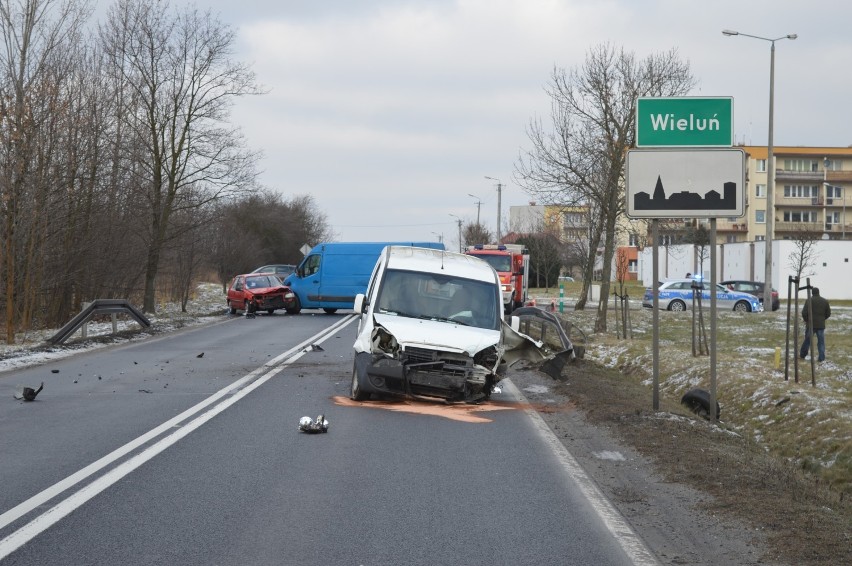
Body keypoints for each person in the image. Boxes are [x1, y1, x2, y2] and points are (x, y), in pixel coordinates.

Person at [799, 287, 831, 362]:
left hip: (810, 325)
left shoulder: (809, 300)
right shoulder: (825, 301)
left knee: (807, 341)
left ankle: (802, 354)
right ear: (819, 292)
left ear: (812, 293)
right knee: (821, 342)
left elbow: (804, 313)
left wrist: (807, 320)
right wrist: (822, 319)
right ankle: (821, 358)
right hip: (820, 325)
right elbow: (828, 313)